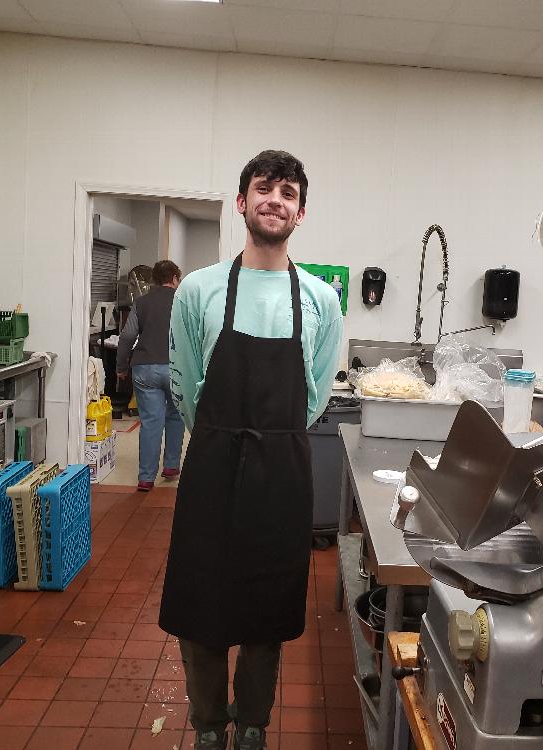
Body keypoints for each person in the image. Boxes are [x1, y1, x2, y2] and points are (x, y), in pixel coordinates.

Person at [161, 150, 343, 750]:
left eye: (287, 193)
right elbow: (185, 384)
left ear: (301, 212)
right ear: (242, 203)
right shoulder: (199, 290)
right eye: (263, 189)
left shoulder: (321, 300)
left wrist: (270, 438)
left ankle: (253, 725)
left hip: (281, 477)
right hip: (212, 469)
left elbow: (313, 394)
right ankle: (210, 725)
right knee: (201, 606)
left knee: (268, 609)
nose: (275, 200)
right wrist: (222, 438)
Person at [116, 259, 186, 491]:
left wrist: (121, 367)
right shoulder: (183, 301)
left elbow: (127, 336)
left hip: (145, 367)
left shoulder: (142, 302)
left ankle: (146, 478)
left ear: (155, 279)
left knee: (150, 422)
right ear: (175, 278)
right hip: (176, 367)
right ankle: (171, 467)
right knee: (176, 416)